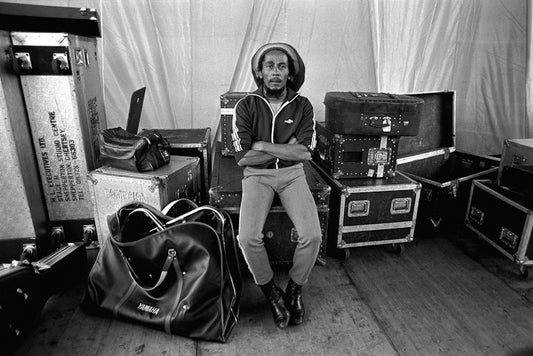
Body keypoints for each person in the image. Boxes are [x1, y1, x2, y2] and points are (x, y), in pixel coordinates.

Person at [231, 43, 322, 328]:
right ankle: (272, 294)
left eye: (282, 67)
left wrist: (263, 145)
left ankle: (294, 290)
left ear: (290, 73)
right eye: (269, 66)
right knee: (247, 238)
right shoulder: (245, 106)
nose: (275, 72)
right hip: (257, 176)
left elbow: (305, 153)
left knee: (312, 235)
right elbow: (243, 157)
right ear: (260, 72)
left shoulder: (303, 105)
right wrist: (285, 147)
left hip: (293, 174)